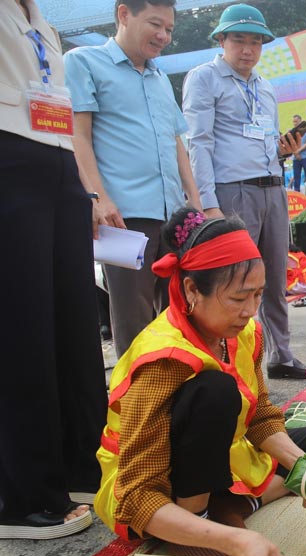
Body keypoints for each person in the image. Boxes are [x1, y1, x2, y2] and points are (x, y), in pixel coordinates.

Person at [95, 207, 306, 556]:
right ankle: (198, 518)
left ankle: (233, 503)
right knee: (215, 392)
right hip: (152, 479)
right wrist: (238, 542)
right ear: (192, 290)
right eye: (239, 297)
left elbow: (259, 417)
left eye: (258, 295)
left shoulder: (242, 332)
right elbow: (137, 495)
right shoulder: (162, 358)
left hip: (218, 451)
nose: (250, 311)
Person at [0, 0, 107, 540]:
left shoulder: (39, 18)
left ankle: (79, 463)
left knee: (75, 325)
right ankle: (21, 494)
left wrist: (81, 185)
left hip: (57, 159)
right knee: (23, 330)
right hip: (8, 154)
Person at [65, 0, 202, 358]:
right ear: (124, 14)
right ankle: (137, 406)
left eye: (170, 29)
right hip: (124, 216)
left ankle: (177, 395)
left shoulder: (158, 76)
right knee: (134, 318)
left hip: (174, 216)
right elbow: (78, 135)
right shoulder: (84, 62)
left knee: (182, 312)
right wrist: (98, 198)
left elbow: (177, 144)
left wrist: (196, 207)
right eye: (155, 24)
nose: (164, 36)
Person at [183, 3, 306, 380]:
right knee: (236, 280)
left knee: (272, 275)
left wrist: (284, 151)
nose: (248, 49)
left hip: (271, 188)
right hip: (232, 192)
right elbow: (199, 143)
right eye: (239, 40)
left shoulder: (265, 87)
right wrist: (207, 204)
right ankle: (231, 361)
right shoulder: (204, 78)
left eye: (256, 42)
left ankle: (281, 355)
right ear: (221, 40)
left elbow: (265, 140)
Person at [291, 115, 306, 196]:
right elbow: (290, 145)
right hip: (295, 158)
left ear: (300, 121)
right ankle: (297, 192)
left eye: (296, 121)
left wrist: (298, 152)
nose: (294, 123)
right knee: (296, 176)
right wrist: (296, 154)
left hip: (305, 157)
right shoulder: (291, 132)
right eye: (293, 122)